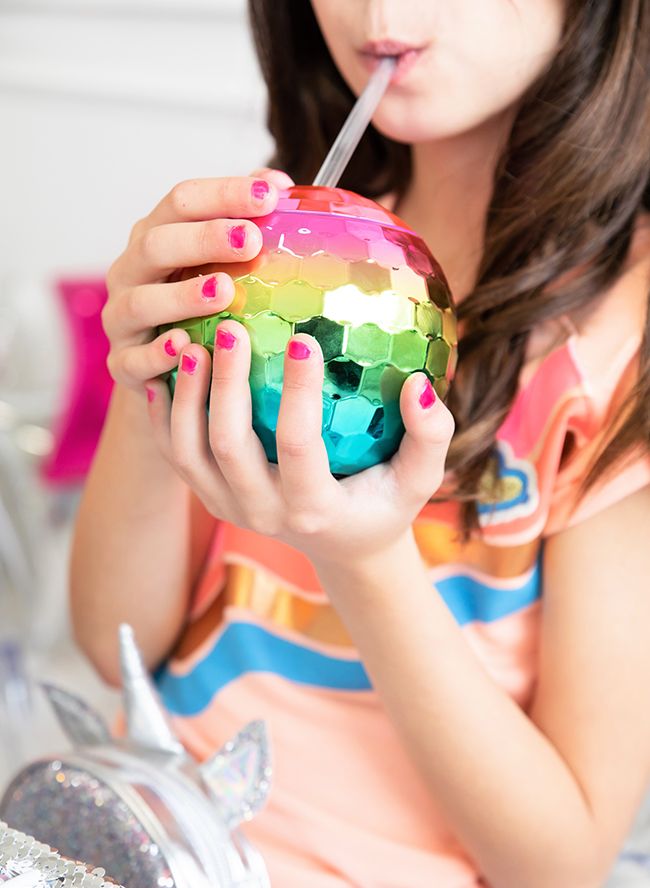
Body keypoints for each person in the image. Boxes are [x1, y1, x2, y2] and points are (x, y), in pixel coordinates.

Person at [70, 1, 650, 885]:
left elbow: (562, 863)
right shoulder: (273, 263)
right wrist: (144, 378)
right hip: (143, 832)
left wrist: (364, 557)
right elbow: (116, 643)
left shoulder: (621, 346)